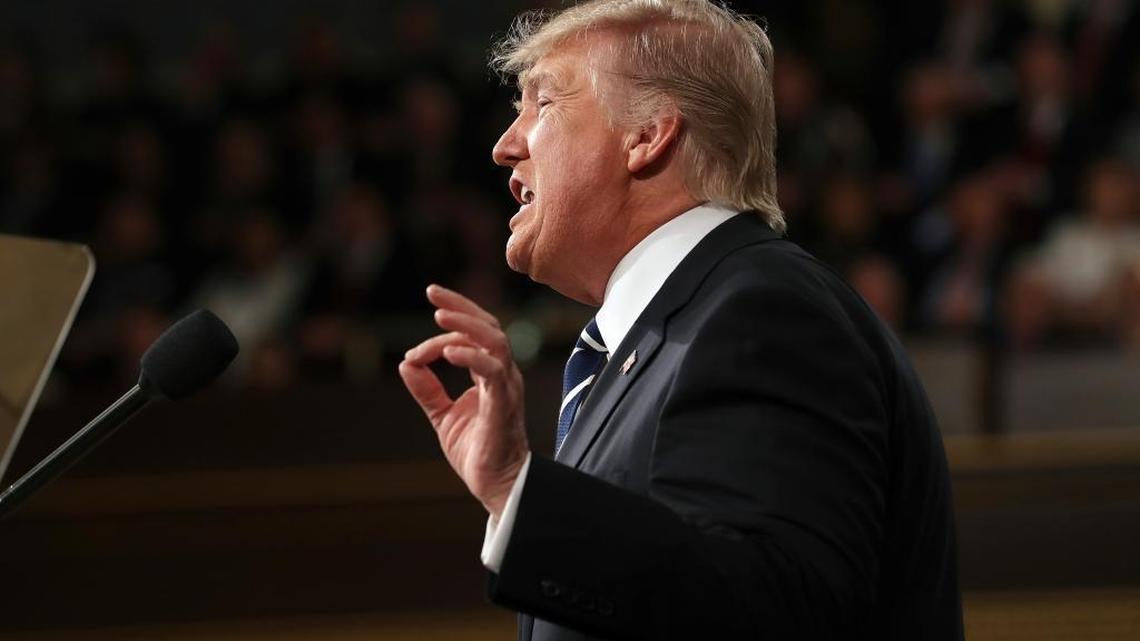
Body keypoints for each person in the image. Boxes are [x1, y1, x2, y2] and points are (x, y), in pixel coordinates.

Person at [398, 1, 962, 639]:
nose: (505, 147)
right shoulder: (668, 333)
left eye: (544, 104)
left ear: (648, 136)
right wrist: (516, 494)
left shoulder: (761, 311)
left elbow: (772, 610)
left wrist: (518, 493)